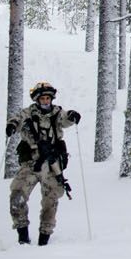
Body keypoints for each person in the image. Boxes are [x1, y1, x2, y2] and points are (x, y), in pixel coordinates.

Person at [5, 82, 81, 245]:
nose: (45, 101)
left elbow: (65, 118)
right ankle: (22, 236)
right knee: (17, 195)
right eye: (43, 98)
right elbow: (17, 119)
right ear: (37, 99)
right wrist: (12, 125)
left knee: (51, 200)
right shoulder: (28, 112)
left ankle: (44, 238)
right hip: (30, 163)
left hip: (51, 164)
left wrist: (72, 116)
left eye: (48, 98)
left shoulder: (56, 113)